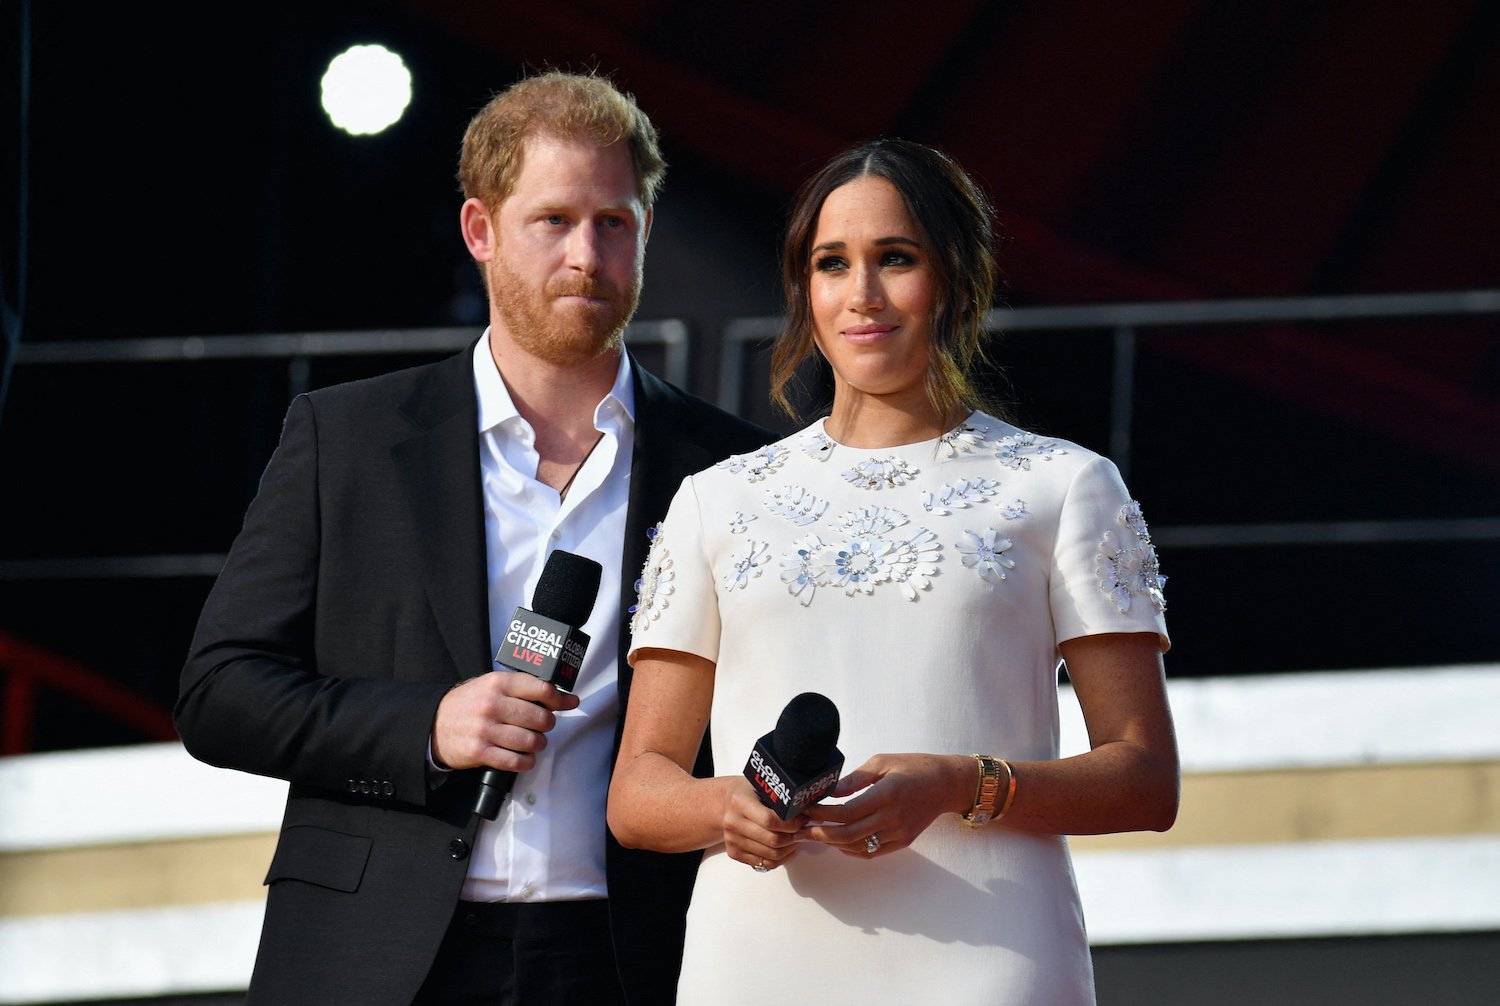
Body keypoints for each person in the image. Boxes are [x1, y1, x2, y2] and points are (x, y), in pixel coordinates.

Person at [175, 70, 770, 1006]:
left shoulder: (732, 468)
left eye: (615, 222)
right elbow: (218, 692)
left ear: (645, 233)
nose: (587, 254)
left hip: (630, 955)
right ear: (480, 231)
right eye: (554, 221)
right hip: (377, 953)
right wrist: (428, 725)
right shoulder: (350, 438)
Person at [606, 137, 1179, 1004]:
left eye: (896, 259)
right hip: (757, 962)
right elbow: (638, 793)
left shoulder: (1063, 486)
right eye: (833, 264)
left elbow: (1144, 778)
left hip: (990, 956)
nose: (862, 294)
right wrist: (730, 809)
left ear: (951, 278)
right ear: (805, 289)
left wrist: (960, 783)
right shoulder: (716, 502)